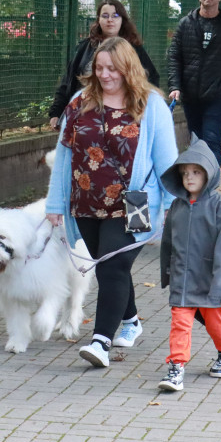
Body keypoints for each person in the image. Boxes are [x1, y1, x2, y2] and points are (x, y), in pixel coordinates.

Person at [46, 37, 178, 368]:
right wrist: (54, 203)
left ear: (128, 68)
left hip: (136, 201)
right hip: (85, 202)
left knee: (114, 264)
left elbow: (167, 159)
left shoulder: (151, 105)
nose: (105, 75)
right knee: (108, 265)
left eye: (112, 69)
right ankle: (131, 320)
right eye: (100, 68)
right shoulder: (80, 101)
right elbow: (63, 155)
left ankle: (101, 342)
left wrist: (178, 205)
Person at [156, 136, 221, 392]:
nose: (189, 178)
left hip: (209, 280)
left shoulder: (219, 207)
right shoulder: (177, 207)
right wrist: (167, 272)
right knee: (180, 322)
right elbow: (168, 242)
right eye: (185, 173)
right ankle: (176, 367)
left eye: (196, 172)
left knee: (216, 322)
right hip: (181, 278)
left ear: (208, 175)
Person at [167, 0, 221, 167]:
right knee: (196, 143)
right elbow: (174, 57)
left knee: (211, 142)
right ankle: (197, 189)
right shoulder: (186, 24)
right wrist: (175, 85)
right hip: (190, 96)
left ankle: (210, 189)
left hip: (216, 96)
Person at [48, 0, 160, 129]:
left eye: (115, 16)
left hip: (123, 116)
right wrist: (56, 111)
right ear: (98, 20)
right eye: (105, 16)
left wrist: (144, 111)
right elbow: (68, 81)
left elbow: (150, 80)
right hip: (85, 113)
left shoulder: (134, 49)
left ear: (122, 20)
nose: (110, 20)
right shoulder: (85, 48)